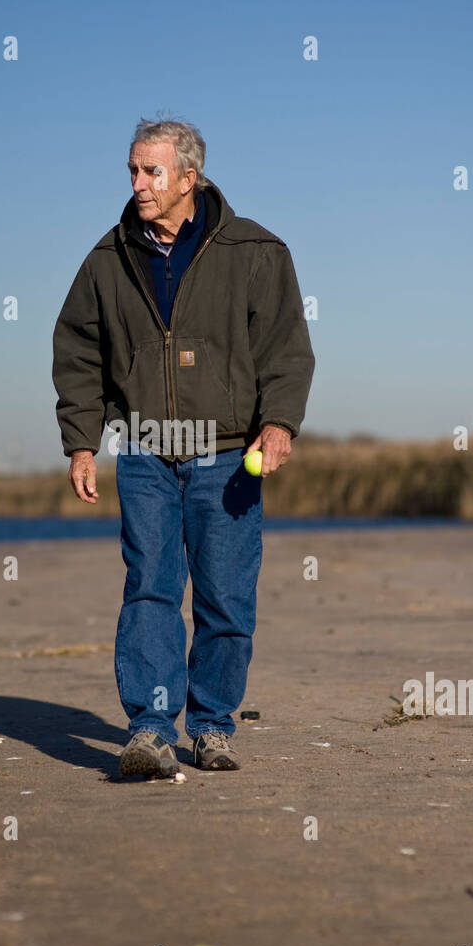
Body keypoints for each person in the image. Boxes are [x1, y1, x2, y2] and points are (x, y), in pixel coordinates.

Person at [52, 118, 315, 778]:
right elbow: (80, 353)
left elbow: (285, 346)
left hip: (227, 455)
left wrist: (278, 422)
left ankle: (210, 728)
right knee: (150, 588)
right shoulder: (106, 260)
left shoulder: (256, 251)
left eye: (151, 172)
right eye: (133, 171)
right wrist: (81, 443)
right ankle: (147, 728)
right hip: (143, 450)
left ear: (187, 178)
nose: (138, 184)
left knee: (225, 598)